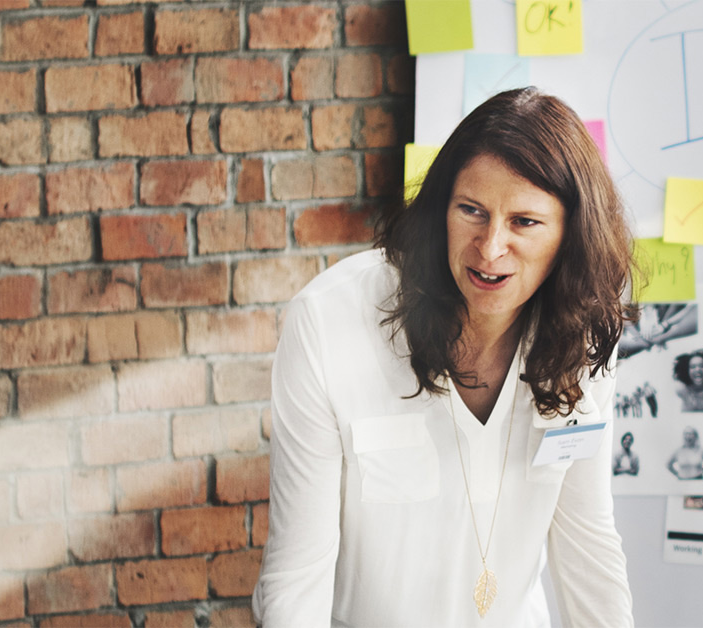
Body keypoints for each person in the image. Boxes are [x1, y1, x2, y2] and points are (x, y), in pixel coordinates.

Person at [253, 88, 636, 626]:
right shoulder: (328, 322)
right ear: (441, 209)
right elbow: (298, 578)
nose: (490, 247)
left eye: (524, 222)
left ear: (571, 234)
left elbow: (589, 547)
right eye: (471, 211)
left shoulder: (584, 335)